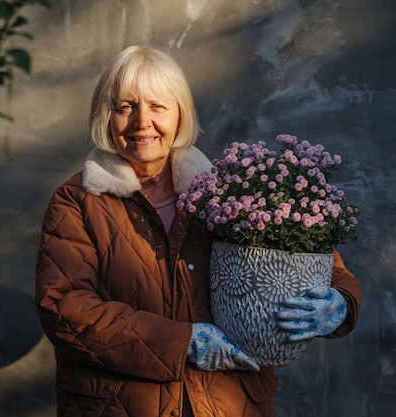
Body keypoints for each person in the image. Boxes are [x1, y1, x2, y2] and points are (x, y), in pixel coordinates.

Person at [34, 45, 362, 417]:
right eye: (125, 106)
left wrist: (340, 304)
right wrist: (183, 342)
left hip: (229, 404)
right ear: (105, 116)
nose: (142, 121)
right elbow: (64, 307)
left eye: (158, 106)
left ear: (180, 113)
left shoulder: (230, 192)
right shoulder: (77, 201)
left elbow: (323, 265)